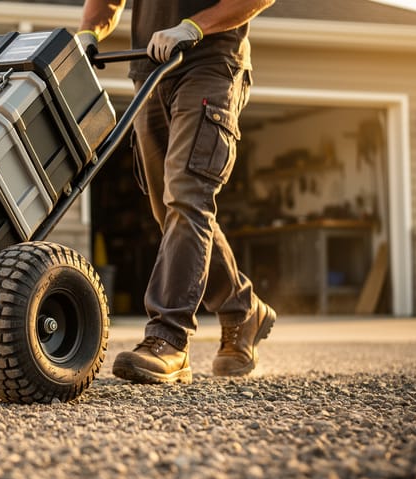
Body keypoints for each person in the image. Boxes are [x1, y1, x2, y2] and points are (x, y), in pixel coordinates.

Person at [77, 0, 277, 384]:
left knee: (187, 197)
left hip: (210, 63)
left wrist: (195, 26)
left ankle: (168, 338)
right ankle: (242, 308)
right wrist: (88, 32)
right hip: (150, 71)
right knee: (171, 212)